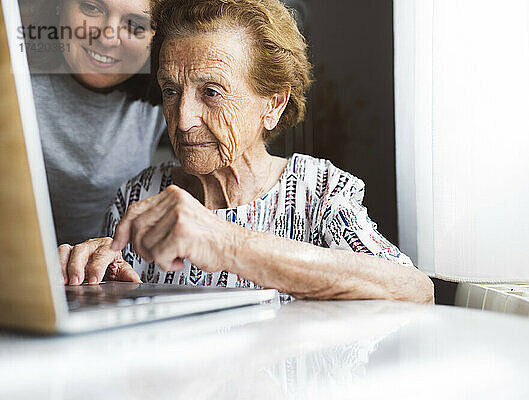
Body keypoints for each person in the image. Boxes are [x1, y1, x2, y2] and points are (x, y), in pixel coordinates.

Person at [58, 0, 434, 303]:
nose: (183, 119)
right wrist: (82, 275)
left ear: (273, 104)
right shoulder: (138, 195)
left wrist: (226, 243)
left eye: (211, 93)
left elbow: (415, 291)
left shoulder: (318, 193)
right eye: (171, 91)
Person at [23, 0, 166, 244]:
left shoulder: (168, 93)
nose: (107, 37)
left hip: (108, 275)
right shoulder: (15, 84)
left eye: (135, 24)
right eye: (92, 7)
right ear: (60, 5)